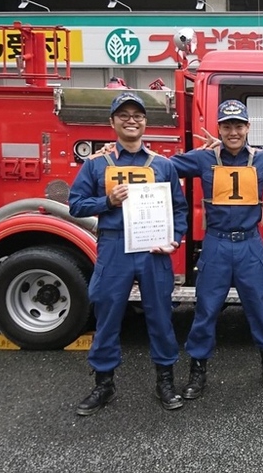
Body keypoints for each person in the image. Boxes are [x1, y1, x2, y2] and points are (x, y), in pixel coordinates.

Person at [68, 92, 189, 416]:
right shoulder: (96, 164)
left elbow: (179, 208)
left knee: (161, 317)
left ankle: (165, 381)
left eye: (137, 115)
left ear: (145, 122)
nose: (131, 120)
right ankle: (103, 384)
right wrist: (107, 202)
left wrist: (174, 239)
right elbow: (76, 204)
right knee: (107, 315)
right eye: (124, 115)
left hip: (152, 250)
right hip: (114, 246)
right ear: (112, 122)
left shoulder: (162, 165)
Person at [169, 100, 263, 398]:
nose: (233, 132)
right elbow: (166, 165)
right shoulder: (204, 159)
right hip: (216, 243)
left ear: (248, 128)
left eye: (239, 126)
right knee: (205, 310)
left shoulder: (262, 160)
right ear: (219, 128)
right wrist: (118, 154)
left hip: (250, 245)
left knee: (260, 309)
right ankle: (197, 371)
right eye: (227, 126)